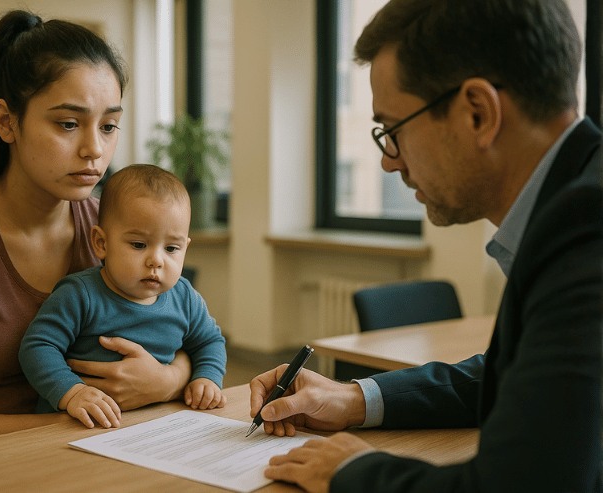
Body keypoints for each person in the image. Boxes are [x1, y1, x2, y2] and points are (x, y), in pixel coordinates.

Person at [249, 1, 602, 491]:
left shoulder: (586, 228)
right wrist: (353, 398)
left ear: (478, 113)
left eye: (392, 131)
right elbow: (524, 379)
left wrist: (354, 470)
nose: (388, 164)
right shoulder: (578, 200)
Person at [0, 11, 192, 450]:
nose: (94, 150)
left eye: (108, 126)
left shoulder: (115, 227)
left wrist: (167, 380)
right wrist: (68, 428)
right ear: (7, 121)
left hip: (96, 456)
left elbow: (184, 324)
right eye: (68, 124)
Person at [19, 164, 227, 429]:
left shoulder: (184, 297)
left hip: (152, 428)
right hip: (78, 426)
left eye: (171, 248)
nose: (156, 260)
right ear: (101, 244)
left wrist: (207, 378)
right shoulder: (79, 294)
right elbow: (37, 347)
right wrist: (72, 392)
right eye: (139, 245)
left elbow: (210, 341)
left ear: (185, 247)